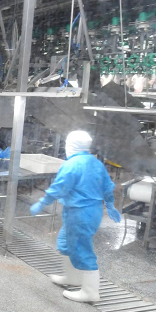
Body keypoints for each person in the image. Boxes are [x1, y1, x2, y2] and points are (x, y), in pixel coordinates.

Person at [30, 130, 120, 303]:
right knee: (65, 243)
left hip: (80, 213)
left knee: (81, 249)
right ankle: (73, 278)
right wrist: (109, 204)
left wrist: (42, 202)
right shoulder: (96, 163)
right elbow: (108, 186)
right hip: (88, 211)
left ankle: (90, 292)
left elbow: (59, 187)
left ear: (70, 145)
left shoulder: (72, 164)